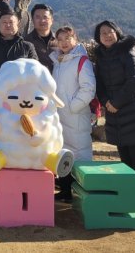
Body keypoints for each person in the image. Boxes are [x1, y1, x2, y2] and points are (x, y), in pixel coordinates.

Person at [93, 20, 135, 205]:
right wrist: (106, 102)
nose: (107, 35)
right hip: (113, 110)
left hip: (132, 107)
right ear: (98, 38)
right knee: (123, 151)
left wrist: (117, 102)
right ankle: (128, 187)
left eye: (110, 32)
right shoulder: (101, 58)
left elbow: (134, 80)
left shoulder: (128, 52)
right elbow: (100, 84)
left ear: (117, 33)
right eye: (103, 33)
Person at [49, 26, 96, 203]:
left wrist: (72, 107)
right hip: (59, 117)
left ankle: (84, 193)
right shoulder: (58, 61)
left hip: (75, 116)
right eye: (60, 39)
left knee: (80, 152)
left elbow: (88, 88)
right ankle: (66, 190)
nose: (64, 42)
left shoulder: (81, 60)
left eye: (67, 38)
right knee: (63, 153)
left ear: (75, 39)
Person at [0, 9, 38, 90]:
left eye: (11, 22)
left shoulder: (27, 46)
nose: (8, 25)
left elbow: (34, 68)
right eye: (4, 22)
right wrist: (2, 82)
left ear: (18, 24)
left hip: (23, 92)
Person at [24, 4, 58, 72]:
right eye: (38, 17)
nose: (42, 21)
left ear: (51, 20)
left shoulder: (59, 40)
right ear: (33, 20)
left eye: (45, 17)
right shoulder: (26, 42)